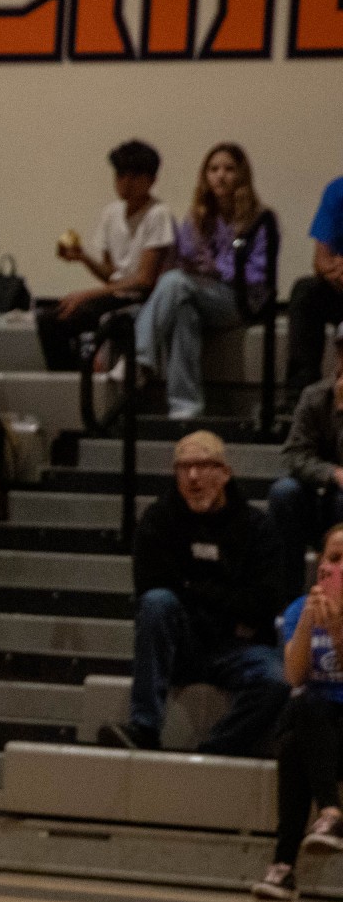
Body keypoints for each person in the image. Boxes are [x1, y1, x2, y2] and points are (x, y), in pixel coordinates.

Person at [99, 431, 288, 755]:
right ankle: (144, 728)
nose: (193, 477)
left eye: (203, 465)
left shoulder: (257, 527)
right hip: (183, 644)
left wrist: (191, 587)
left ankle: (215, 750)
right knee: (157, 602)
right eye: (184, 467)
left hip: (237, 648)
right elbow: (150, 586)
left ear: (225, 473)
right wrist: (227, 602)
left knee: (276, 681)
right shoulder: (159, 520)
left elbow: (265, 603)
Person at [136, 144, 275, 420]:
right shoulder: (198, 216)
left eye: (229, 169)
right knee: (183, 312)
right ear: (205, 176)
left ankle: (138, 358)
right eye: (213, 169)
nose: (220, 176)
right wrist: (190, 265)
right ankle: (185, 407)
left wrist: (218, 269)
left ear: (241, 174)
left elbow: (259, 275)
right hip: (201, 293)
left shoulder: (260, 220)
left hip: (242, 300)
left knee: (176, 283)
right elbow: (183, 260)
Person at [257, 522, 343, 901]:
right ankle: (327, 818)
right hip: (318, 732)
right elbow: (294, 676)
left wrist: (337, 628)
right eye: (329, 557)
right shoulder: (298, 609)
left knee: (302, 720)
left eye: (341, 560)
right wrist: (309, 621)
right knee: (298, 722)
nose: (330, 567)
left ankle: (285, 863)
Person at [36, 140, 174, 372]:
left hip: (141, 298)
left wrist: (87, 294)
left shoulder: (158, 214)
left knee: (75, 313)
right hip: (116, 293)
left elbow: (145, 280)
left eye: (133, 176)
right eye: (120, 175)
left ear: (151, 180)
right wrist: (83, 257)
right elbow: (111, 275)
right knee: (48, 317)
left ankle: (79, 379)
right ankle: (69, 379)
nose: (125, 182)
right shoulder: (111, 213)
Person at [269, 335, 343, 584]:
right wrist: (332, 474)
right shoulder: (315, 395)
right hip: (320, 497)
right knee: (284, 492)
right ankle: (287, 594)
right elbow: (295, 454)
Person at [284, 168, 343, 398]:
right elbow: (321, 261)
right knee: (305, 290)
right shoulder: (337, 191)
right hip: (339, 286)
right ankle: (301, 396)